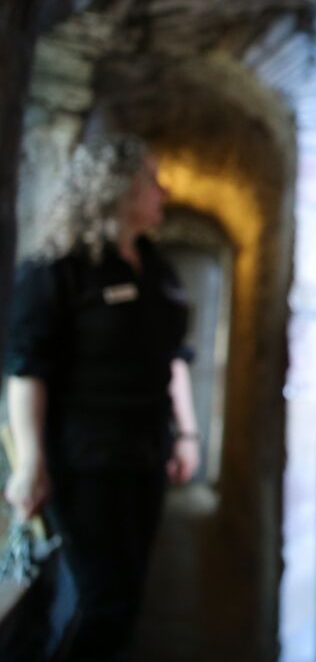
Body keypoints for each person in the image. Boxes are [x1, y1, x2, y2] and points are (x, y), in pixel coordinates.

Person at [3, 133, 200, 660]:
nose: (163, 190)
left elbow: (174, 356)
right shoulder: (58, 270)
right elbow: (27, 369)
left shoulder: (153, 265)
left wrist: (187, 433)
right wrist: (30, 462)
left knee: (128, 590)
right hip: (86, 458)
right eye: (151, 180)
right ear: (117, 189)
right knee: (99, 599)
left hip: (145, 451)